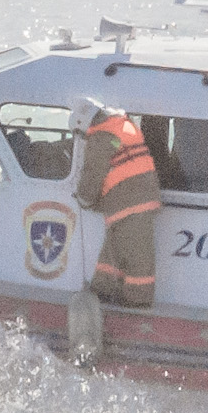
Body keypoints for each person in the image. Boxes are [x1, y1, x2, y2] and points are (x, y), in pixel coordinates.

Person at [72, 97, 161, 308]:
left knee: (137, 253)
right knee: (114, 248)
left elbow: (93, 174)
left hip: (129, 201)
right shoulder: (123, 125)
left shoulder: (102, 137)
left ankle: (138, 299)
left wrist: (84, 199)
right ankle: (101, 289)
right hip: (134, 199)